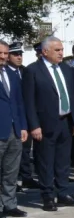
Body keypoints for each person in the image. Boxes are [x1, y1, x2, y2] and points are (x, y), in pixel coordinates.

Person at [22, 35, 74, 211]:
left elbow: (72, 96)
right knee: (45, 162)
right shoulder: (33, 71)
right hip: (44, 124)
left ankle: (63, 192)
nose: (61, 53)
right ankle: (48, 195)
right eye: (57, 50)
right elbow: (29, 101)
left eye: (62, 50)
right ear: (45, 51)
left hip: (65, 122)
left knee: (63, 161)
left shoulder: (66, 69)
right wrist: (34, 125)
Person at [0, 41, 28, 218]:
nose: (2, 57)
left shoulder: (12, 74)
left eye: (4, 53)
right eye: (0, 53)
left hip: (15, 129)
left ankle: (9, 204)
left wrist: (23, 126)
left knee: (11, 171)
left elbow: (19, 102)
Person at [7, 43, 35, 191]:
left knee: (24, 149)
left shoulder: (24, 71)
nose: (19, 57)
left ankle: (26, 177)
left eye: (20, 54)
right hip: (11, 119)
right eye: (15, 54)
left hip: (24, 117)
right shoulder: (5, 72)